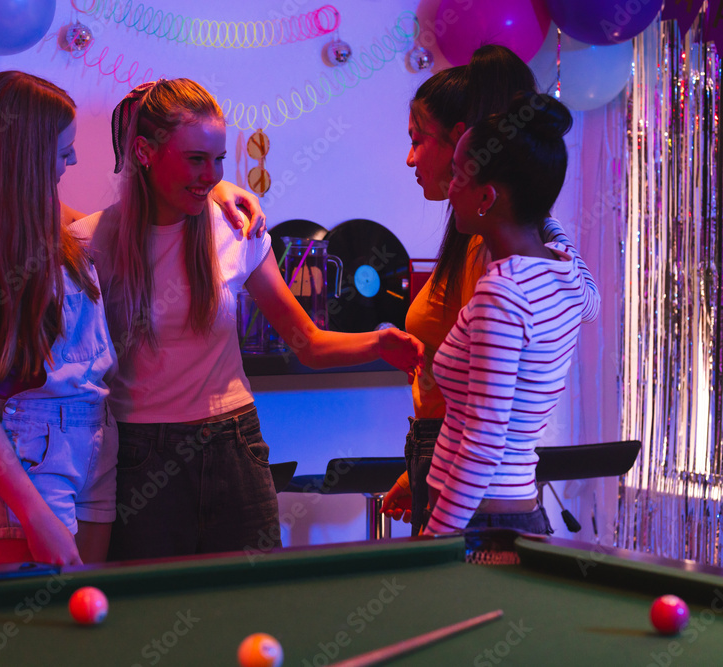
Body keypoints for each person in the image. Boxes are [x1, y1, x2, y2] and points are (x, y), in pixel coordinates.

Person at [0, 72, 268, 567]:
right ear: (23, 151)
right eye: (63, 151)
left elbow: (132, 216)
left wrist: (207, 183)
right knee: (38, 624)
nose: (74, 161)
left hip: (93, 438)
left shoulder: (35, 214)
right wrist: (32, 512)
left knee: (89, 611)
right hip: (28, 446)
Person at [73, 78, 423, 560]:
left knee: (255, 605)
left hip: (234, 442)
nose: (211, 176)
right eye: (196, 159)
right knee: (149, 615)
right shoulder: (93, 242)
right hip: (139, 454)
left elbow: (308, 342)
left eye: (219, 161)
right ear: (143, 151)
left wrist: (379, 343)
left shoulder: (236, 230)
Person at [382, 45, 580, 534]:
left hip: (476, 492)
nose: (410, 158)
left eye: (417, 139)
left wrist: (438, 534)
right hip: (459, 470)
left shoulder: (497, 274)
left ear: (459, 143)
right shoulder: (557, 271)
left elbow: (484, 425)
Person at [424, 91, 600, 534]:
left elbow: (483, 443)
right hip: (511, 507)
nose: (449, 188)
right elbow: (592, 300)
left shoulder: (503, 295)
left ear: (485, 195)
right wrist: (544, 216)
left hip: (479, 518)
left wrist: (433, 540)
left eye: (457, 175)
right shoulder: (565, 270)